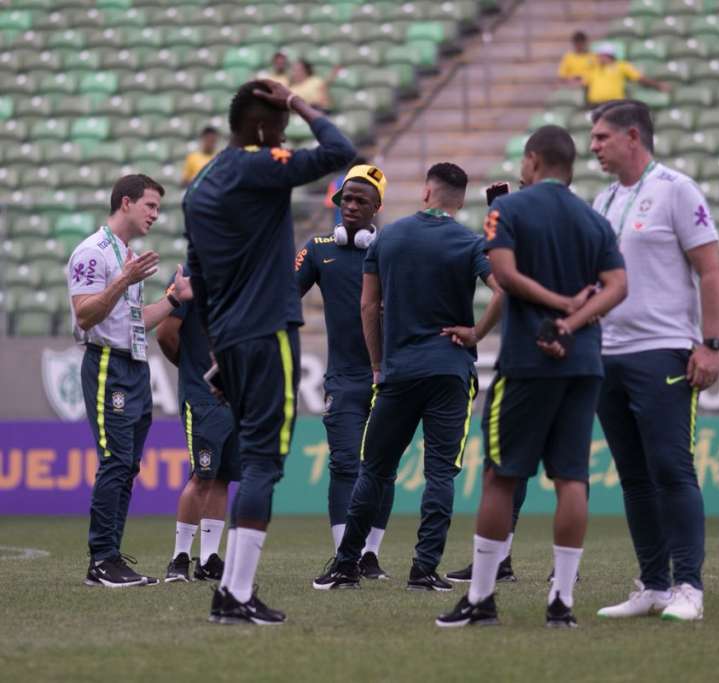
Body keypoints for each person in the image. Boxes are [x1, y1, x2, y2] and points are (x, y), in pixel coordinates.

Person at [436, 126, 627, 629]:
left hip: (527, 363)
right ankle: (561, 601)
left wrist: (558, 305)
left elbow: (503, 275)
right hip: (584, 361)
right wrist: (575, 319)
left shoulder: (509, 211)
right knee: (572, 479)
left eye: (524, 161)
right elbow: (618, 285)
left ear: (536, 160)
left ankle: (480, 598)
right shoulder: (593, 218)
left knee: (501, 476)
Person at [185, 79, 355, 624]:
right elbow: (339, 153)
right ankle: (235, 594)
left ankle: (230, 591)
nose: (283, 136)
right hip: (265, 330)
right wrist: (300, 104)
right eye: (279, 128)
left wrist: (217, 353)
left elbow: (200, 280)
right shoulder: (255, 165)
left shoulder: (200, 184)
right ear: (263, 129)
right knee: (263, 463)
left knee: (255, 459)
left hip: (232, 336)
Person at [314, 163, 503, 592]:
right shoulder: (469, 242)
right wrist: (476, 332)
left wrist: (378, 364)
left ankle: (345, 566)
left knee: (374, 469)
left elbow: (368, 308)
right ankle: (423, 569)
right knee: (440, 474)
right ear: (461, 198)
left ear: (425, 192)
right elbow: (505, 288)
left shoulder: (389, 238)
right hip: (451, 371)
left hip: (398, 373)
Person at [588, 100, 719, 622]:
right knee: (633, 477)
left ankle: (689, 586)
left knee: (671, 468)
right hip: (609, 353)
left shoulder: (677, 188)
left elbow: (710, 270)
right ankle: (653, 585)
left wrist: (709, 345)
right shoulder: (602, 199)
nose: (594, 146)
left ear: (632, 136)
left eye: (601, 137)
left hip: (664, 349)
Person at [69, 174, 193, 587]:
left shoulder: (125, 253)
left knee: (128, 465)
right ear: (126, 202)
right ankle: (101, 559)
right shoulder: (93, 252)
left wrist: (174, 298)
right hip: (108, 364)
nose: (156, 215)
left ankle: (111, 556)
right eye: (151, 206)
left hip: (135, 365)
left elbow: (134, 322)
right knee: (116, 461)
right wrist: (124, 280)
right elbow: (85, 314)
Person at [298, 164, 397, 581]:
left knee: (383, 467)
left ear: (376, 207)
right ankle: (345, 556)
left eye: (360, 201)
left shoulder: (393, 249)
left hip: (388, 377)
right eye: (345, 200)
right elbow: (286, 294)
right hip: (342, 377)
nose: (350, 207)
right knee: (344, 465)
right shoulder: (319, 248)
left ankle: (369, 555)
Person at [157, 266, 240, 583]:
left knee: (221, 477)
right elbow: (165, 332)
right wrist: (190, 366)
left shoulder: (243, 274)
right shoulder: (190, 274)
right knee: (202, 476)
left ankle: (208, 559)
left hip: (236, 396)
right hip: (203, 397)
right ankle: (179, 558)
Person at [583, 43, 668, 106]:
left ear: (608, 55)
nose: (597, 58)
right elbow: (583, 82)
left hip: (614, 105)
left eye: (600, 55)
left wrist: (658, 85)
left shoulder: (622, 66)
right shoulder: (594, 69)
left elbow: (640, 78)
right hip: (595, 105)